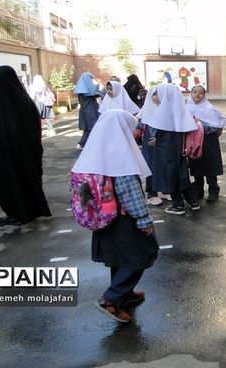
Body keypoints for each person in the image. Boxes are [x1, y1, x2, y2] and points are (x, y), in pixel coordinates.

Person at [71, 109, 158, 323]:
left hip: (102, 218)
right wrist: (144, 219)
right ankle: (111, 299)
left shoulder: (93, 151)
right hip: (124, 219)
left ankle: (124, 294)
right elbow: (130, 194)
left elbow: (83, 193)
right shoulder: (120, 154)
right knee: (141, 255)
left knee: (119, 257)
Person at [0, 65, 51, 225]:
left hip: (0, 153)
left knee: (7, 183)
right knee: (26, 179)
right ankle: (30, 211)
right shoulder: (24, 100)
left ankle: (16, 213)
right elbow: (35, 127)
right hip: (25, 153)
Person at [147, 83, 200, 215]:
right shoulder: (178, 109)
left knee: (170, 176)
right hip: (179, 150)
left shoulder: (164, 111)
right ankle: (193, 201)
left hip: (166, 151)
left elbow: (163, 133)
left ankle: (178, 205)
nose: (156, 96)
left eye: (158, 93)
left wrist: (156, 141)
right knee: (181, 175)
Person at [186, 85, 226, 202]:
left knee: (210, 165)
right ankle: (198, 189)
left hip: (208, 140)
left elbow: (220, 122)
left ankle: (213, 189)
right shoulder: (186, 109)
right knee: (196, 165)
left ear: (204, 95)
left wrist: (209, 132)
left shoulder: (209, 109)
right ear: (190, 94)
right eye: (194, 92)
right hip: (193, 142)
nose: (197, 94)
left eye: (200, 92)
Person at [136, 87, 164, 206]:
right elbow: (140, 124)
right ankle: (152, 193)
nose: (157, 97)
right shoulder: (147, 108)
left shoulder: (167, 108)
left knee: (164, 165)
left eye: (159, 94)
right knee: (151, 165)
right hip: (150, 142)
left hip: (164, 142)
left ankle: (166, 189)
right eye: (154, 94)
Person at [74, 72, 101, 149]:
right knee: (92, 126)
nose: (91, 80)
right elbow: (95, 93)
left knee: (89, 127)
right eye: (91, 79)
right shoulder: (88, 89)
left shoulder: (81, 89)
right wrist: (97, 86)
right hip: (90, 110)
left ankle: (84, 143)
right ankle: (83, 143)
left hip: (86, 110)